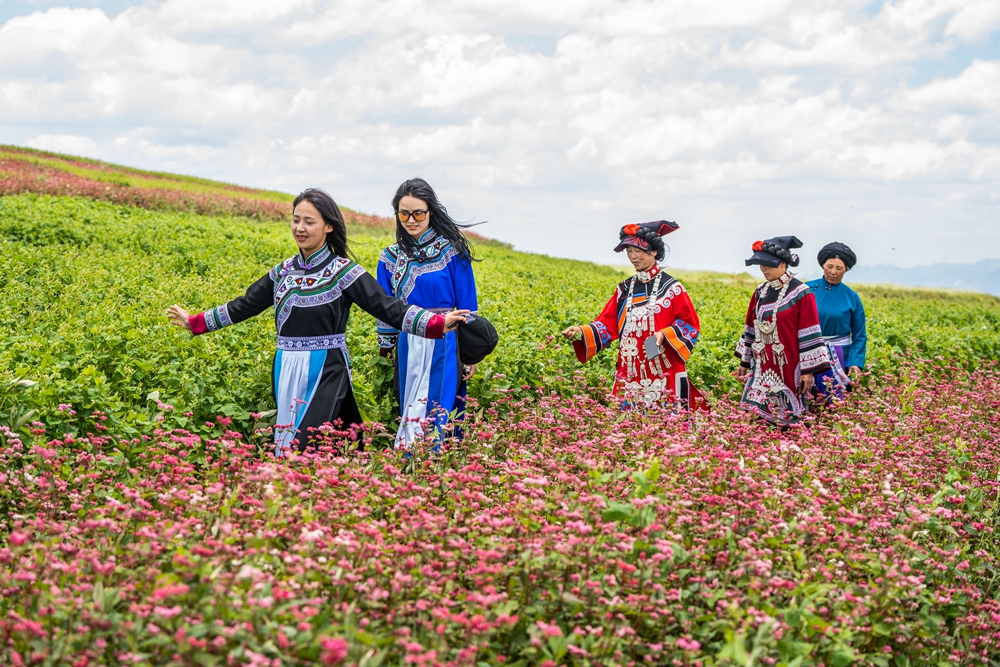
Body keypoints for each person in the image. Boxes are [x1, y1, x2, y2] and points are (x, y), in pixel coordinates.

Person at [166, 188, 469, 454]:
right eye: (296, 220)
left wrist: (434, 324)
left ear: (327, 227)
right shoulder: (282, 272)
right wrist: (196, 322)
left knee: (302, 445)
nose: (300, 227)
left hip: (327, 368)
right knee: (308, 444)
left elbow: (386, 307)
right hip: (285, 368)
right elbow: (244, 305)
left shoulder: (344, 272)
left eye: (309, 221)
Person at [376, 178, 479, 448]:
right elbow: (384, 308)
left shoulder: (453, 251)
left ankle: (430, 464)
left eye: (418, 213)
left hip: (446, 341)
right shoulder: (389, 257)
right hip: (408, 343)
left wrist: (471, 355)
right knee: (410, 405)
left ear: (430, 211)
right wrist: (385, 346)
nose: (411, 220)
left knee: (439, 409)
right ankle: (411, 465)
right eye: (404, 213)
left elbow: (468, 305)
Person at [561, 220, 705, 409]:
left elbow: (690, 324)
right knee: (628, 428)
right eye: (629, 251)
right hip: (630, 369)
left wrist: (664, 334)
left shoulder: (672, 288)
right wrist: (581, 331)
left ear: (653, 251)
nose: (633, 257)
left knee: (665, 427)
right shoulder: (624, 289)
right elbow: (608, 323)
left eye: (638, 251)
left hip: (662, 368)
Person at [735, 236, 831, 426]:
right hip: (762, 365)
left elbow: (809, 333)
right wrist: (744, 362)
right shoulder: (760, 292)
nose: (763, 269)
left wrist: (808, 372)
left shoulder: (801, 293)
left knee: (789, 422)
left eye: (767, 264)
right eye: (760, 265)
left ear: (783, 264)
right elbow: (751, 329)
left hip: (790, 365)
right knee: (757, 420)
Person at [806, 242, 867, 399]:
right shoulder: (806, 290)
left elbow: (859, 334)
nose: (833, 272)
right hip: (809, 352)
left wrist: (855, 362)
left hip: (839, 356)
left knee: (833, 401)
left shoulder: (852, 297)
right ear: (823, 265)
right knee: (807, 400)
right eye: (829, 266)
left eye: (839, 268)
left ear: (846, 269)